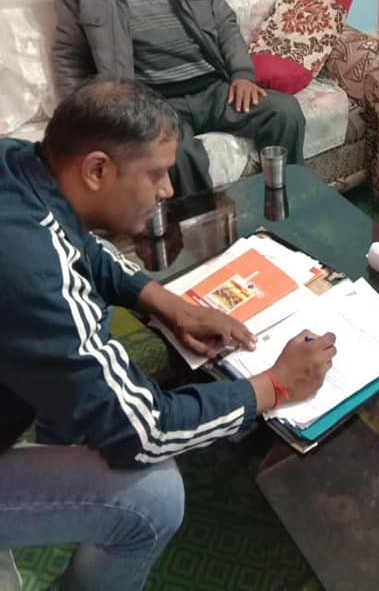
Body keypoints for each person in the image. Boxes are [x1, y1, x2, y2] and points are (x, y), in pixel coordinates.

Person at [0, 80, 336, 591]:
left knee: (81, 392)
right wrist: (274, 386)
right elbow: (145, 433)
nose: (168, 191)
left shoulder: (19, 164)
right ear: (96, 170)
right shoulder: (31, 266)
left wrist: (166, 302)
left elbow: (78, 247)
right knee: (153, 494)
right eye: (156, 174)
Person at [53, 0, 305, 197]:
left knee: (285, 111)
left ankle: (292, 203)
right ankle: (205, 233)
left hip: (213, 88)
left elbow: (225, 23)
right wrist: (82, 118)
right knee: (180, 154)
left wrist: (242, 74)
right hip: (153, 100)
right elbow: (69, 55)